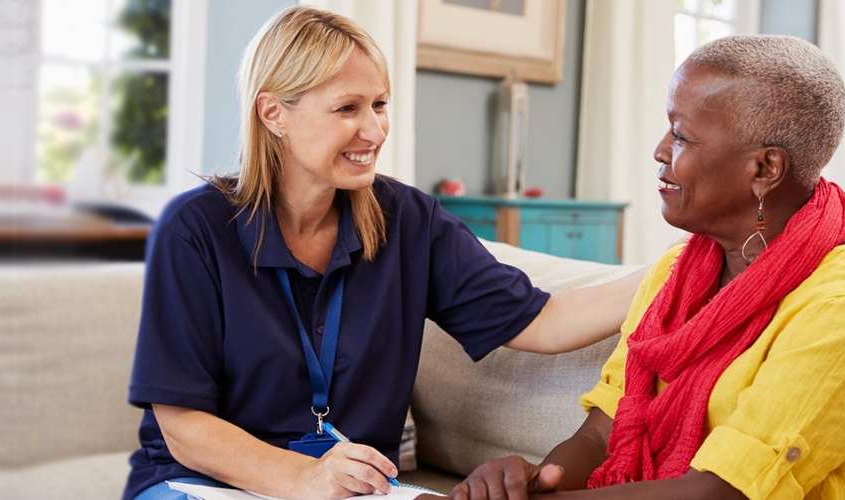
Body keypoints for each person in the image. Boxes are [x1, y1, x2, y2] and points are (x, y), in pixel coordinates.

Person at [123, 6, 644, 500]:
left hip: (355, 491)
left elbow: (544, 320)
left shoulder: (410, 220)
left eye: (379, 104)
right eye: (347, 108)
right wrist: (306, 478)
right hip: (204, 484)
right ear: (273, 112)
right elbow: (183, 428)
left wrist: (679, 266)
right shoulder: (194, 229)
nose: (373, 130)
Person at [451, 35, 845, 500]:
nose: (659, 150)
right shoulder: (678, 270)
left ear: (765, 169)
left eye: (681, 135)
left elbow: (720, 493)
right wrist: (530, 484)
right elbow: (599, 436)